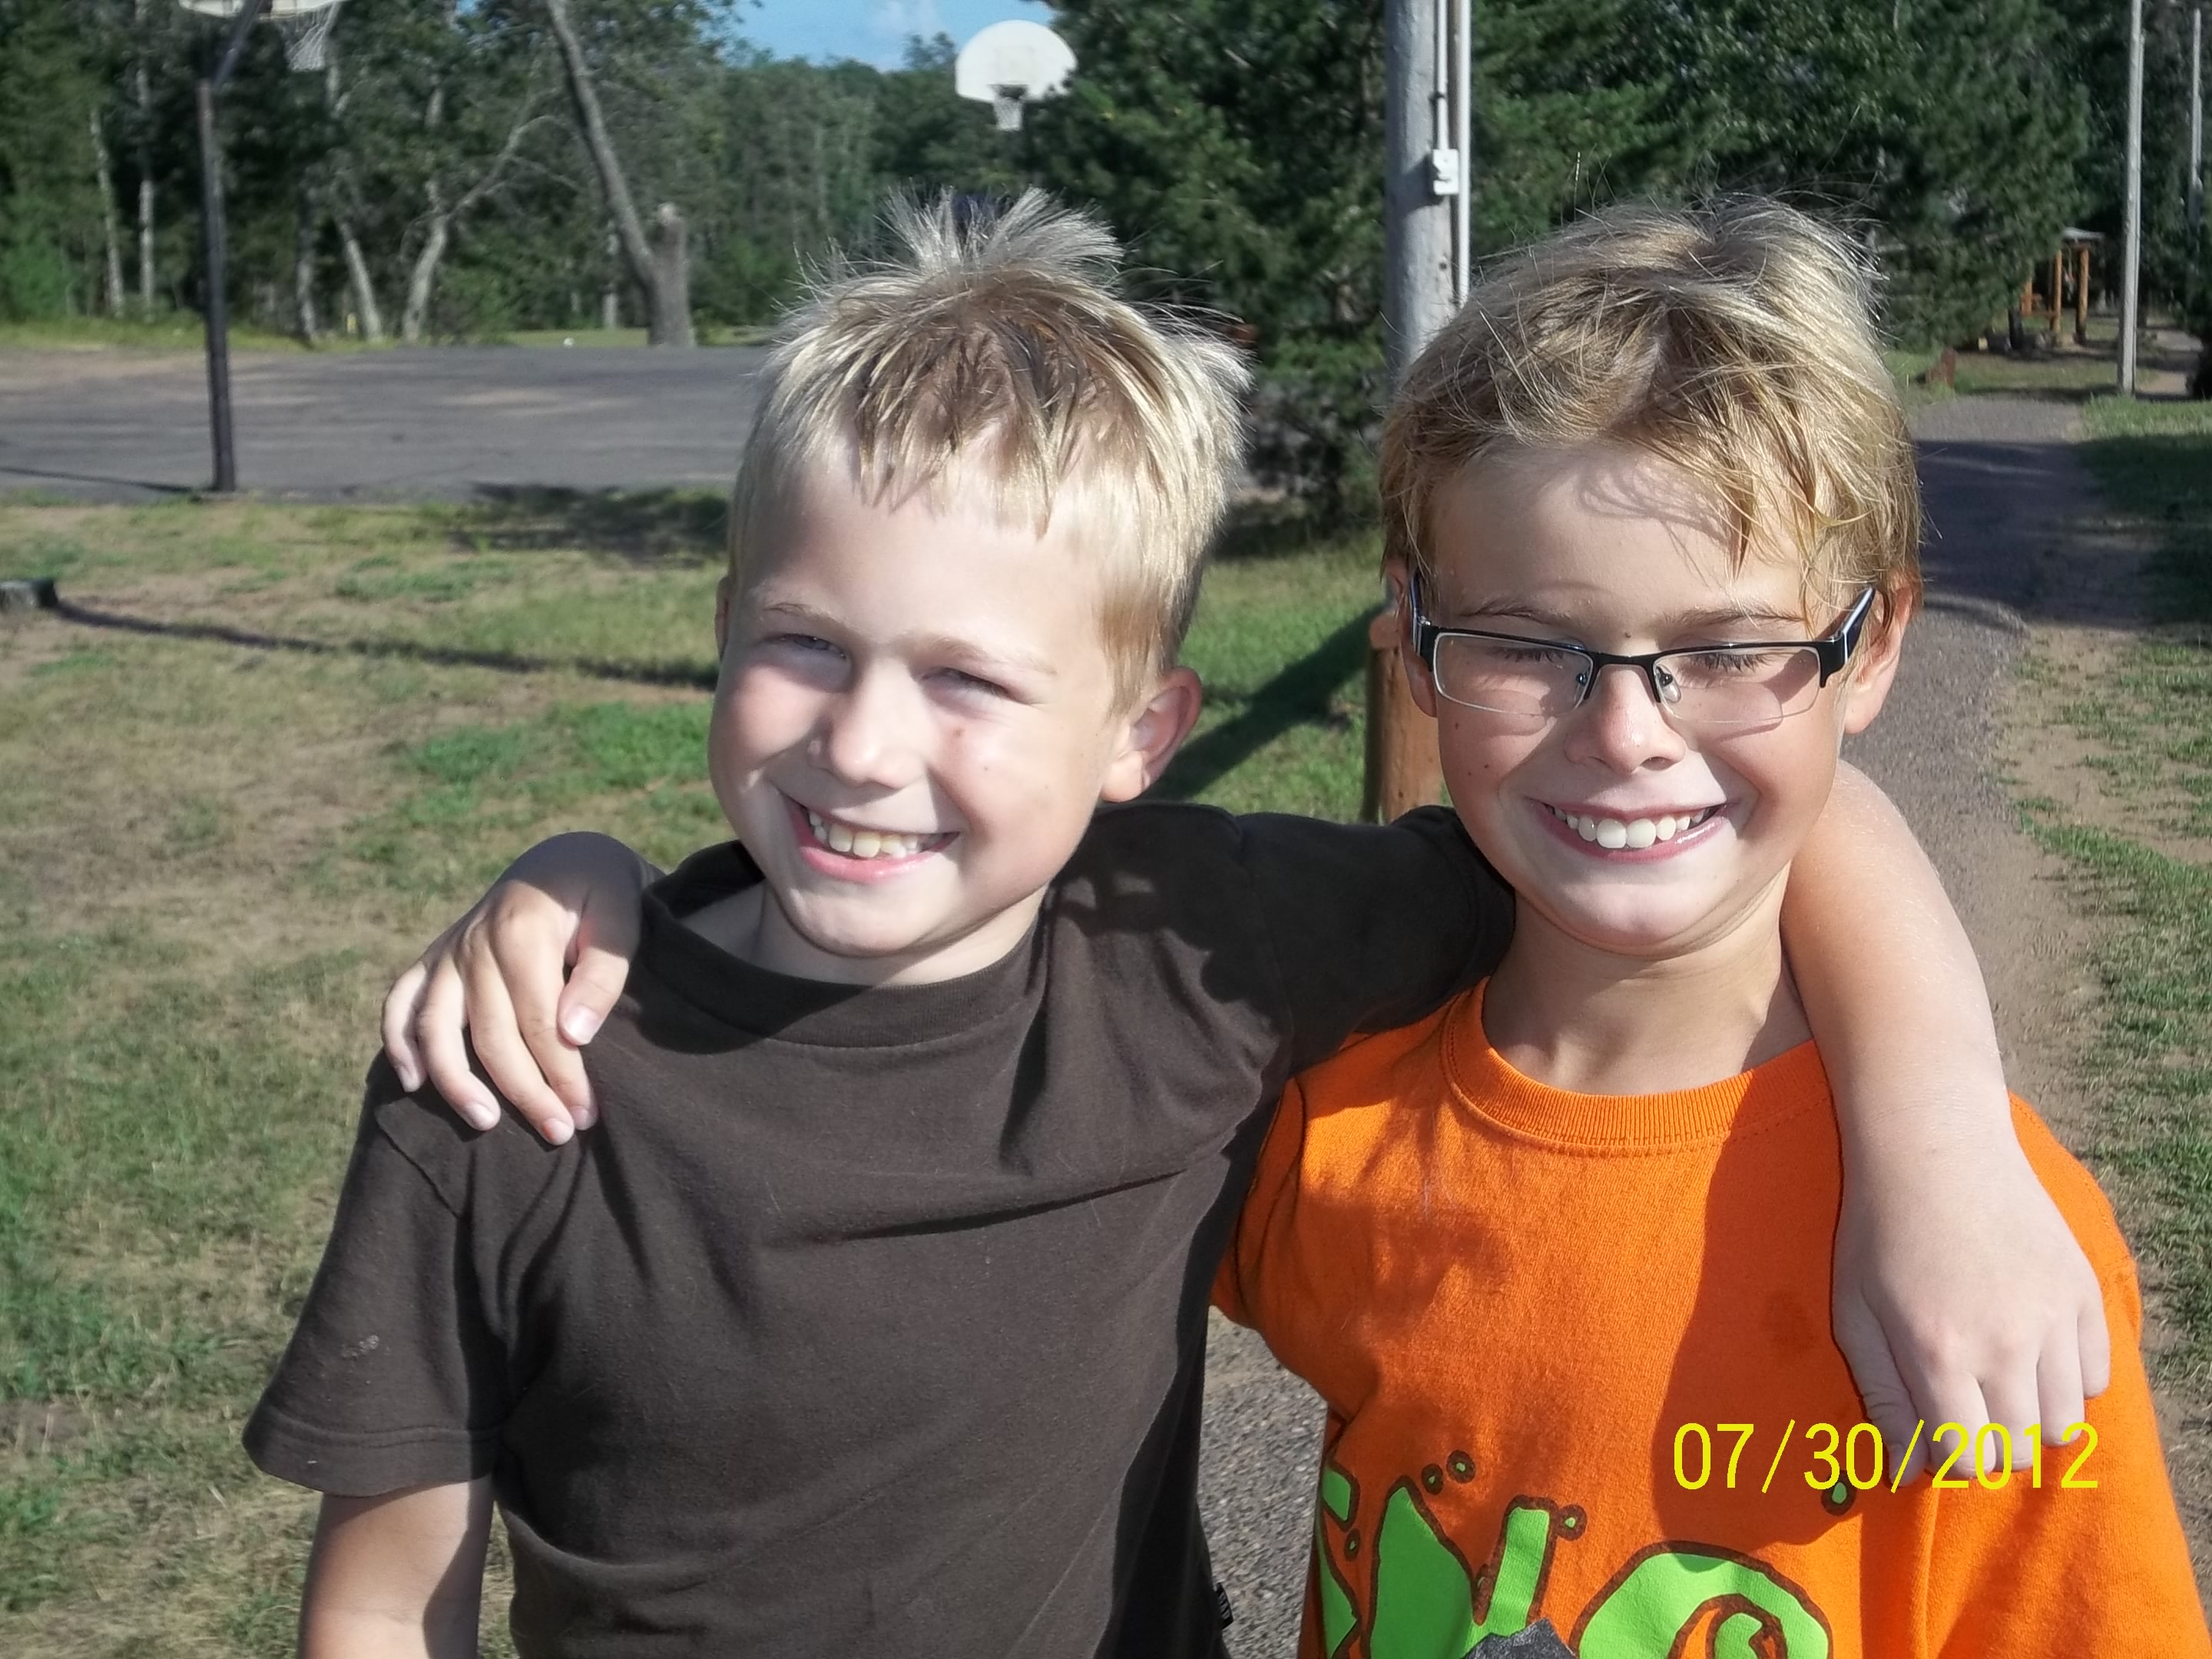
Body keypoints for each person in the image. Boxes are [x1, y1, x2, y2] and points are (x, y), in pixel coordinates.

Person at [250, 192, 2105, 1659]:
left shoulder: (1190, 952)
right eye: (807, 647)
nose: (869, 745)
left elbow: (1744, 810)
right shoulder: (509, 1076)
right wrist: (576, 870)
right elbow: (382, 1603)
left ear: (1144, 734)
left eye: (969, 679)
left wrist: (1941, 1134)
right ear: (725, 632)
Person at [1210, 199, 2208, 1655]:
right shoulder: (1321, 1115)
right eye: (1530, 645)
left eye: (1730, 650)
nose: (1626, 734)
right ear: (1418, 636)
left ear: (1872, 646)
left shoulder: (1996, 1260)